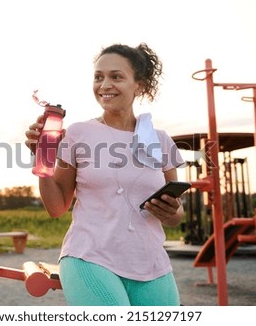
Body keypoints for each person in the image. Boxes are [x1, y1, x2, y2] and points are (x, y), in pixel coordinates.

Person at [25, 43, 185, 306]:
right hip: (89, 257)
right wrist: (41, 158)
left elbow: (177, 215)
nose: (104, 85)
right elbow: (56, 207)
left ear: (139, 86)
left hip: (152, 264)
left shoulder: (161, 140)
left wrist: (172, 212)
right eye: (98, 77)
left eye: (116, 76)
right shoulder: (78, 133)